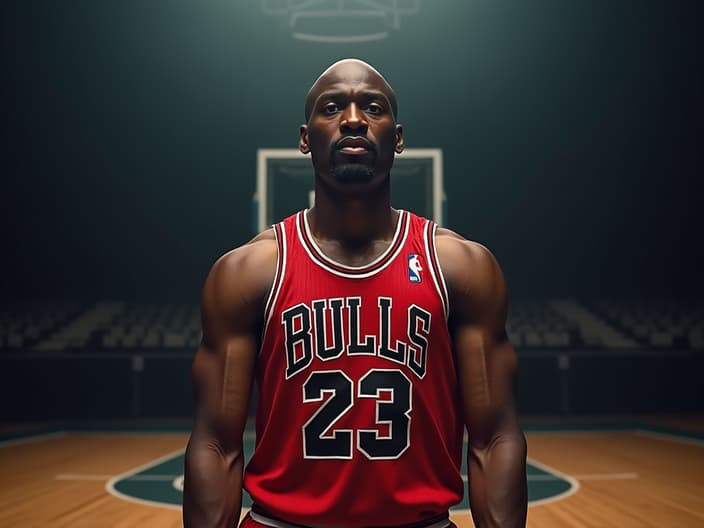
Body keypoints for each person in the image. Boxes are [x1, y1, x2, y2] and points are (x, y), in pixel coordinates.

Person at [183, 58, 527, 528]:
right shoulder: (247, 272)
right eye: (331, 108)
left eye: (372, 107)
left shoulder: (461, 267)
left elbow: (495, 438)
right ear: (305, 138)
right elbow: (216, 444)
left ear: (398, 138)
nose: (352, 119)